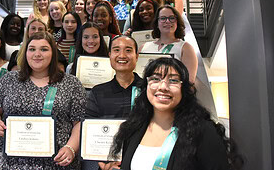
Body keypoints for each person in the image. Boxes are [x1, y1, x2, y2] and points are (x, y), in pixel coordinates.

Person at [103, 58, 243, 170]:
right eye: (156, 79)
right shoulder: (133, 129)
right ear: (146, 87)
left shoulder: (202, 131)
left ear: (184, 89)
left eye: (173, 80)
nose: (163, 87)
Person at [0, 32, 86, 169]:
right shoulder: (9, 79)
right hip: (8, 163)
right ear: (25, 53)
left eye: (44, 49)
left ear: (53, 53)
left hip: (56, 163)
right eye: (32, 49)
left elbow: (80, 122)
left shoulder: (71, 83)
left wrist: (71, 148)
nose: (37, 54)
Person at [86, 35, 142, 118]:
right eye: (116, 50)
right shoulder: (97, 92)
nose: (122, 55)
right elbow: (90, 124)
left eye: (128, 50)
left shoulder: (148, 88)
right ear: (110, 55)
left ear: (136, 56)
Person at [140, 5, 197, 82]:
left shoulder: (185, 48)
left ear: (177, 21)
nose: (167, 21)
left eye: (172, 18)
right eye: (163, 18)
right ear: (157, 23)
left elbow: (189, 81)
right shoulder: (144, 47)